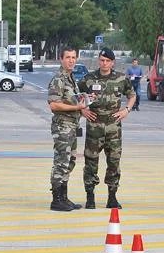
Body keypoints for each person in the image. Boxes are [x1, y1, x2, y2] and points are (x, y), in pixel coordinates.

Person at [78, 48, 136, 209]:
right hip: (94, 126)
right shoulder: (89, 79)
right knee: (91, 162)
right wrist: (83, 110)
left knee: (114, 162)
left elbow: (132, 95)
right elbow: (76, 96)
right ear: (99, 60)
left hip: (113, 127)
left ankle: (112, 197)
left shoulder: (120, 78)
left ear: (112, 62)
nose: (104, 63)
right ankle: (90, 197)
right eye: (102, 60)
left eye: (107, 61)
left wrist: (126, 110)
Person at [46, 47, 85, 212]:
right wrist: (76, 106)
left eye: (74, 57)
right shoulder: (59, 79)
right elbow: (53, 104)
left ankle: (64, 197)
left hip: (72, 126)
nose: (71, 60)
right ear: (61, 59)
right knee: (61, 161)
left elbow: (71, 100)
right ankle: (56, 199)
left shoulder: (71, 78)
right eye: (68, 57)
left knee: (70, 161)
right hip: (63, 126)